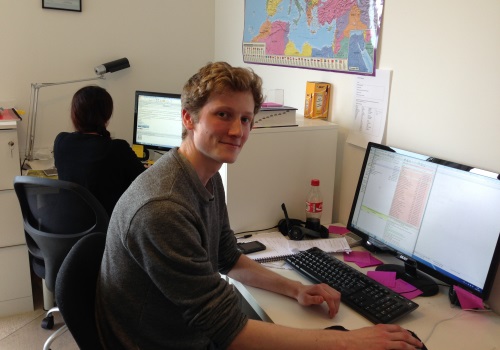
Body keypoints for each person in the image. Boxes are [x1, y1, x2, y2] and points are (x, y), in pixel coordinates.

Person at [95, 62, 422, 349]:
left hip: (183, 331)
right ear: (189, 118)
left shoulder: (206, 175)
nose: (237, 131)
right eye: (223, 115)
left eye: (246, 119)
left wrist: (295, 289)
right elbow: (229, 332)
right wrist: (350, 342)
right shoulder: (163, 207)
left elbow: (226, 256)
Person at [53, 85, 146, 216]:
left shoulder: (61, 141)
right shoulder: (118, 148)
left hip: (65, 227)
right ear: (107, 116)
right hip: (105, 230)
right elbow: (146, 182)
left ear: (74, 114)